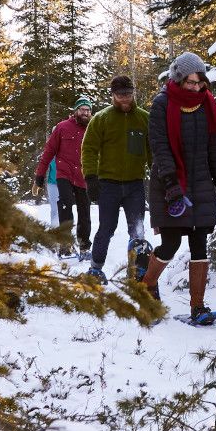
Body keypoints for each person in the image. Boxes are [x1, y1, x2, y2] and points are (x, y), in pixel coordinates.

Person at [145, 51, 216, 324]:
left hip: (201, 183)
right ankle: (145, 288)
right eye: (190, 82)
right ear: (178, 79)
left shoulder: (207, 104)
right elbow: (160, 148)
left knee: (199, 243)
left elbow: (213, 151)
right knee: (170, 243)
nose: (196, 87)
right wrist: (172, 186)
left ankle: (198, 308)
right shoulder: (162, 104)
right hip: (168, 183)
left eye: (200, 82)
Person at [81, 74, 152, 280]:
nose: (124, 99)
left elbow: (152, 151)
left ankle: (137, 272)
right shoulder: (101, 119)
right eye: (120, 95)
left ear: (133, 93)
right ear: (112, 95)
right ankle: (95, 268)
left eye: (128, 94)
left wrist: (158, 175)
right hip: (108, 184)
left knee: (137, 229)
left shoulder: (144, 119)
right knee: (106, 228)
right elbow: (89, 149)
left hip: (135, 184)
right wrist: (91, 178)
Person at [35, 96, 94, 256]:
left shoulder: (94, 128)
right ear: (75, 111)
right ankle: (65, 244)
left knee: (84, 210)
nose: (85, 113)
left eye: (88, 110)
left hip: (84, 175)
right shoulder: (62, 127)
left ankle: (84, 245)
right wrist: (40, 175)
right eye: (82, 109)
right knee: (65, 203)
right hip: (64, 173)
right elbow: (48, 152)